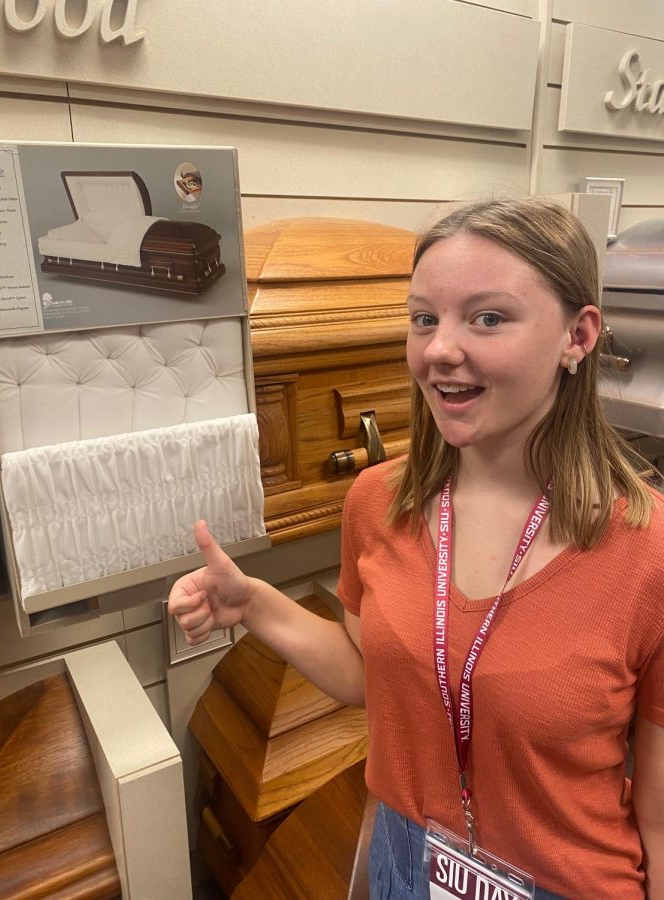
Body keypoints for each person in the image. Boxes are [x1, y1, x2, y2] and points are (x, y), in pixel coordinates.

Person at [168, 197, 663, 900]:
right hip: (408, 860)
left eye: (487, 317)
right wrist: (251, 602)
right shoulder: (379, 501)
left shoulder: (647, 556)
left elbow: (659, 819)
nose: (438, 349)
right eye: (423, 318)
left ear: (577, 335)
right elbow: (371, 677)